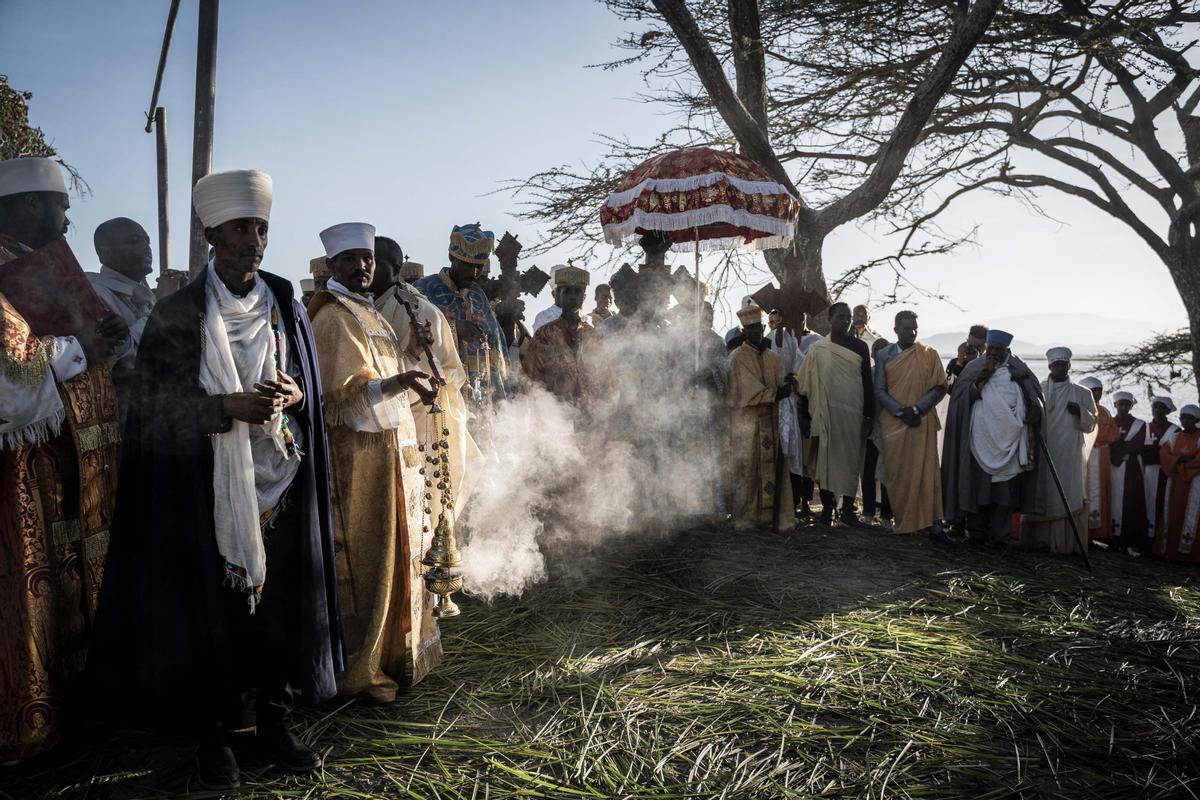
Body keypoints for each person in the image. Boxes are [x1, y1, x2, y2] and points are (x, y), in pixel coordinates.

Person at [87, 170, 342, 789]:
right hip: (202, 488)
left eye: (260, 228)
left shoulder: (284, 299)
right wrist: (224, 408)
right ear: (211, 234)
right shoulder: (176, 314)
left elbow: (309, 389)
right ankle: (213, 737)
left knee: (278, 609)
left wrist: (295, 392)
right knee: (210, 614)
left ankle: (276, 723)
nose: (254, 240)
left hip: (279, 479)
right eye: (239, 229)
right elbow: (152, 412)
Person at [0, 156, 126, 764]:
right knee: (29, 585)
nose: (68, 218)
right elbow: (12, 377)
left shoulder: (39, 264)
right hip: (19, 474)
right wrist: (82, 348)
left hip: (66, 461)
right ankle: (31, 722)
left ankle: (75, 702)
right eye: (58, 205)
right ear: (26, 205)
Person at [308, 223, 443, 699]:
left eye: (365, 259)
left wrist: (408, 378)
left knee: (398, 554)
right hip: (358, 463)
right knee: (369, 562)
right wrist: (402, 382)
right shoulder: (332, 317)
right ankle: (361, 671)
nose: (361, 267)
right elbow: (341, 397)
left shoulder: (370, 312)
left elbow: (385, 379)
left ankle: (396, 657)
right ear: (331, 267)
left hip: (391, 459)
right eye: (349, 260)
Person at [376, 235, 483, 520]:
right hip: (375, 419)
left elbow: (433, 376)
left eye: (374, 261)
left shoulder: (418, 311)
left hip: (416, 423)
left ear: (395, 267)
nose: (366, 268)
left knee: (417, 510)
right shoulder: (368, 305)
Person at [941, 329, 1048, 550]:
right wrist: (984, 376)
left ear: (1007, 350)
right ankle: (975, 534)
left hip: (1010, 441)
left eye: (999, 350)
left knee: (1003, 494)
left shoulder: (1020, 370)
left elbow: (1036, 398)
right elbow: (960, 400)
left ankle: (1000, 538)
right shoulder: (974, 368)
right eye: (991, 349)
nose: (994, 353)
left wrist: (1034, 409)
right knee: (977, 487)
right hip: (979, 440)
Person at [413, 224, 508, 415]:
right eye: (467, 265)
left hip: (478, 396)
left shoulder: (477, 295)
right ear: (451, 258)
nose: (473, 273)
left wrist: (502, 397)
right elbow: (411, 333)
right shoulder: (423, 289)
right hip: (438, 392)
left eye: (478, 267)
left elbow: (497, 345)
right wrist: (454, 328)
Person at [794, 302, 874, 526]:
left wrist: (869, 415)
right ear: (830, 320)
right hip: (825, 415)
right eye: (841, 317)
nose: (846, 321)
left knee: (850, 462)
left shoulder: (860, 348)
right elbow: (804, 384)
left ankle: (847, 510)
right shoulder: (818, 350)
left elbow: (867, 382)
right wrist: (805, 416)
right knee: (825, 461)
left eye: (848, 317)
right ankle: (828, 509)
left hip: (852, 415)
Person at [873, 310, 948, 537]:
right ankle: (903, 520)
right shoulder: (884, 355)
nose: (912, 332)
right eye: (907, 328)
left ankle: (931, 521)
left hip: (921, 421)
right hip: (894, 423)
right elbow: (879, 390)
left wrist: (916, 409)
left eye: (915, 328)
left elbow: (939, 387)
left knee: (926, 471)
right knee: (897, 473)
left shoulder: (929, 354)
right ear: (895, 329)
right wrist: (900, 411)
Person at [1019, 348, 1097, 554]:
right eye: (1057, 365)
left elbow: (1092, 424)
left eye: (1064, 365)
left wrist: (1080, 412)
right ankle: (1038, 541)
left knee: (1069, 492)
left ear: (1069, 366)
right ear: (1050, 366)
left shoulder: (1083, 393)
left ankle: (1065, 544)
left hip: (1070, 455)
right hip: (1044, 451)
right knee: (1042, 491)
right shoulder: (1039, 389)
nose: (1061, 368)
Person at [727, 303, 792, 530]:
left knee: (773, 467)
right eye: (752, 328)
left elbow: (783, 385)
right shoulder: (736, 358)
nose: (756, 331)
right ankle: (748, 518)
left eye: (759, 327)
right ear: (744, 330)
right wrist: (776, 394)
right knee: (749, 470)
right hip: (748, 423)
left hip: (771, 421)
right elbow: (746, 392)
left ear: (764, 327)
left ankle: (775, 517)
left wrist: (790, 384)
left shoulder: (774, 359)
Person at [86, 217, 155, 414]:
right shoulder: (93, 292)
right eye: (134, 240)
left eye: (147, 240)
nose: (146, 247)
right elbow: (121, 360)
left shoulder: (147, 293)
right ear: (104, 253)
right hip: (119, 413)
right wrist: (162, 309)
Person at [767, 307, 822, 517]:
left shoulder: (815, 341)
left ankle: (804, 503)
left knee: (803, 457)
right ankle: (780, 503)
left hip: (803, 405)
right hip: (779, 405)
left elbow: (809, 374)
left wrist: (796, 381)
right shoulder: (770, 340)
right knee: (781, 453)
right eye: (772, 321)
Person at [522, 265, 597, 403]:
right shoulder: (544, 334)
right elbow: (530, 376)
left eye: (577, 291)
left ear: (584, 297)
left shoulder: (592, 335)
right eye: (567, 291)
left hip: (589, 411)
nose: (573, 297)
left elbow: (605, 376)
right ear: (557, 295)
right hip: (554, 411)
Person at [1154, 404, 1200, 562]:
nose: (1186, 420)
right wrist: (1182, 460)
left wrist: (1179, 463)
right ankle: (1170, 551)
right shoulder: (1174, 437)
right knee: (1172, 513)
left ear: (1197, 420)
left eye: (1190, 418)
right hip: (1174, 483)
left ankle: (1189, 555)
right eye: (1183, 417)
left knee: (1191, 516)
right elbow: (1164, 455)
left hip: (1194, 483)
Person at [1109, 390, 1151, 553]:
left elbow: (1139, 445)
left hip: (1130, 468)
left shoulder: (1140, 424)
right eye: (1121, 404)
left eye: (1127, 404)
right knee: (1111, 498)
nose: (1124, 407)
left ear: (1131, 406)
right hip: (1112, 467)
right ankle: (1110, 537)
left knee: (1130, 500)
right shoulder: (1109, 422)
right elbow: (1105, 440)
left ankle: (1127, 538)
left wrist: (1116, 448)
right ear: (1115, 405)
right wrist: (1118, 448)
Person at [1080, 376, 1119, 542]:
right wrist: (1101, 436)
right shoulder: (1082, 408)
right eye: (1093, 391)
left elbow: (1114, 434)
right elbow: (1090, 433)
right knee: (1085, 492)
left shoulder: (1105, 411)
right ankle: (1084, 532)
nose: (1097, 394)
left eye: (1099, 390)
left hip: (1102, 457)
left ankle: (1099, 533)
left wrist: (1100, 437)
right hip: (1086, 456)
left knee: (1100, 492)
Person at [863, 337, 895, 530]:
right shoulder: (870, 375)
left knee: (887, 475)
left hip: (889, 432)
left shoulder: (895, 377)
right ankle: (868, 513)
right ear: (873, 355)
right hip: (872, 430)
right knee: (869, 473)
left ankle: (886, 515)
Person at [1145, 396, 1180, 545]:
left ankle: (1159, 542)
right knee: (1145, 504)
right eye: (1155, 407)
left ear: (1167, 410)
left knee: (1161, 504)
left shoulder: (1175, 430)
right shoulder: (1145, 427)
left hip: (1164, 474)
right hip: (1145, 473)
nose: (1157, 410)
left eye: (1161, 407)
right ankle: (1145, 540)